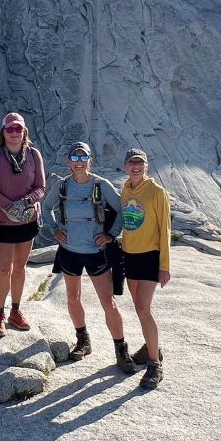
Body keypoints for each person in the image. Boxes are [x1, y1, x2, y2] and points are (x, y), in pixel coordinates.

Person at [50, 142, 136, 374]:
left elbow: (120, 209)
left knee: (108, 302)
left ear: (90, 161)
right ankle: (83, 341)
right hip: (69, 251)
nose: (79, 162)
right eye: (74, 158)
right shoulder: (63, 185)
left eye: (83, 157)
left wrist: (110, 235)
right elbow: (45, 207)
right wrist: (54, 229)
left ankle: (121, 349)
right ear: (68, 162)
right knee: (73, 297)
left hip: (95, 252)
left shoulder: (101, 184)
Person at [0, 112, 46, 337]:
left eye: (18, 129)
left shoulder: (34, 155)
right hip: (1, 221)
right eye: (10, 129)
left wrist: (25, 203)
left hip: (27, 220)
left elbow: (41, 187)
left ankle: (15, 312)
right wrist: (9, 206)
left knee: (19, 268)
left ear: (24, 132)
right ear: (3, 132)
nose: (14, 133)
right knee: (3, 269)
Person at [119, 148, 171, 390]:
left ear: (146, 166)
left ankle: (154, 363)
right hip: (130, 256)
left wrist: (165, 266)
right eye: (132, 162)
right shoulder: (125, 190)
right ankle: (152, 346)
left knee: (143, 307)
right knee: (139, 309)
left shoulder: (157, 192)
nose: (136, 166)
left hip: (150, 256)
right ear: (126, 166)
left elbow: (165, 230)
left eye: (140, 163)